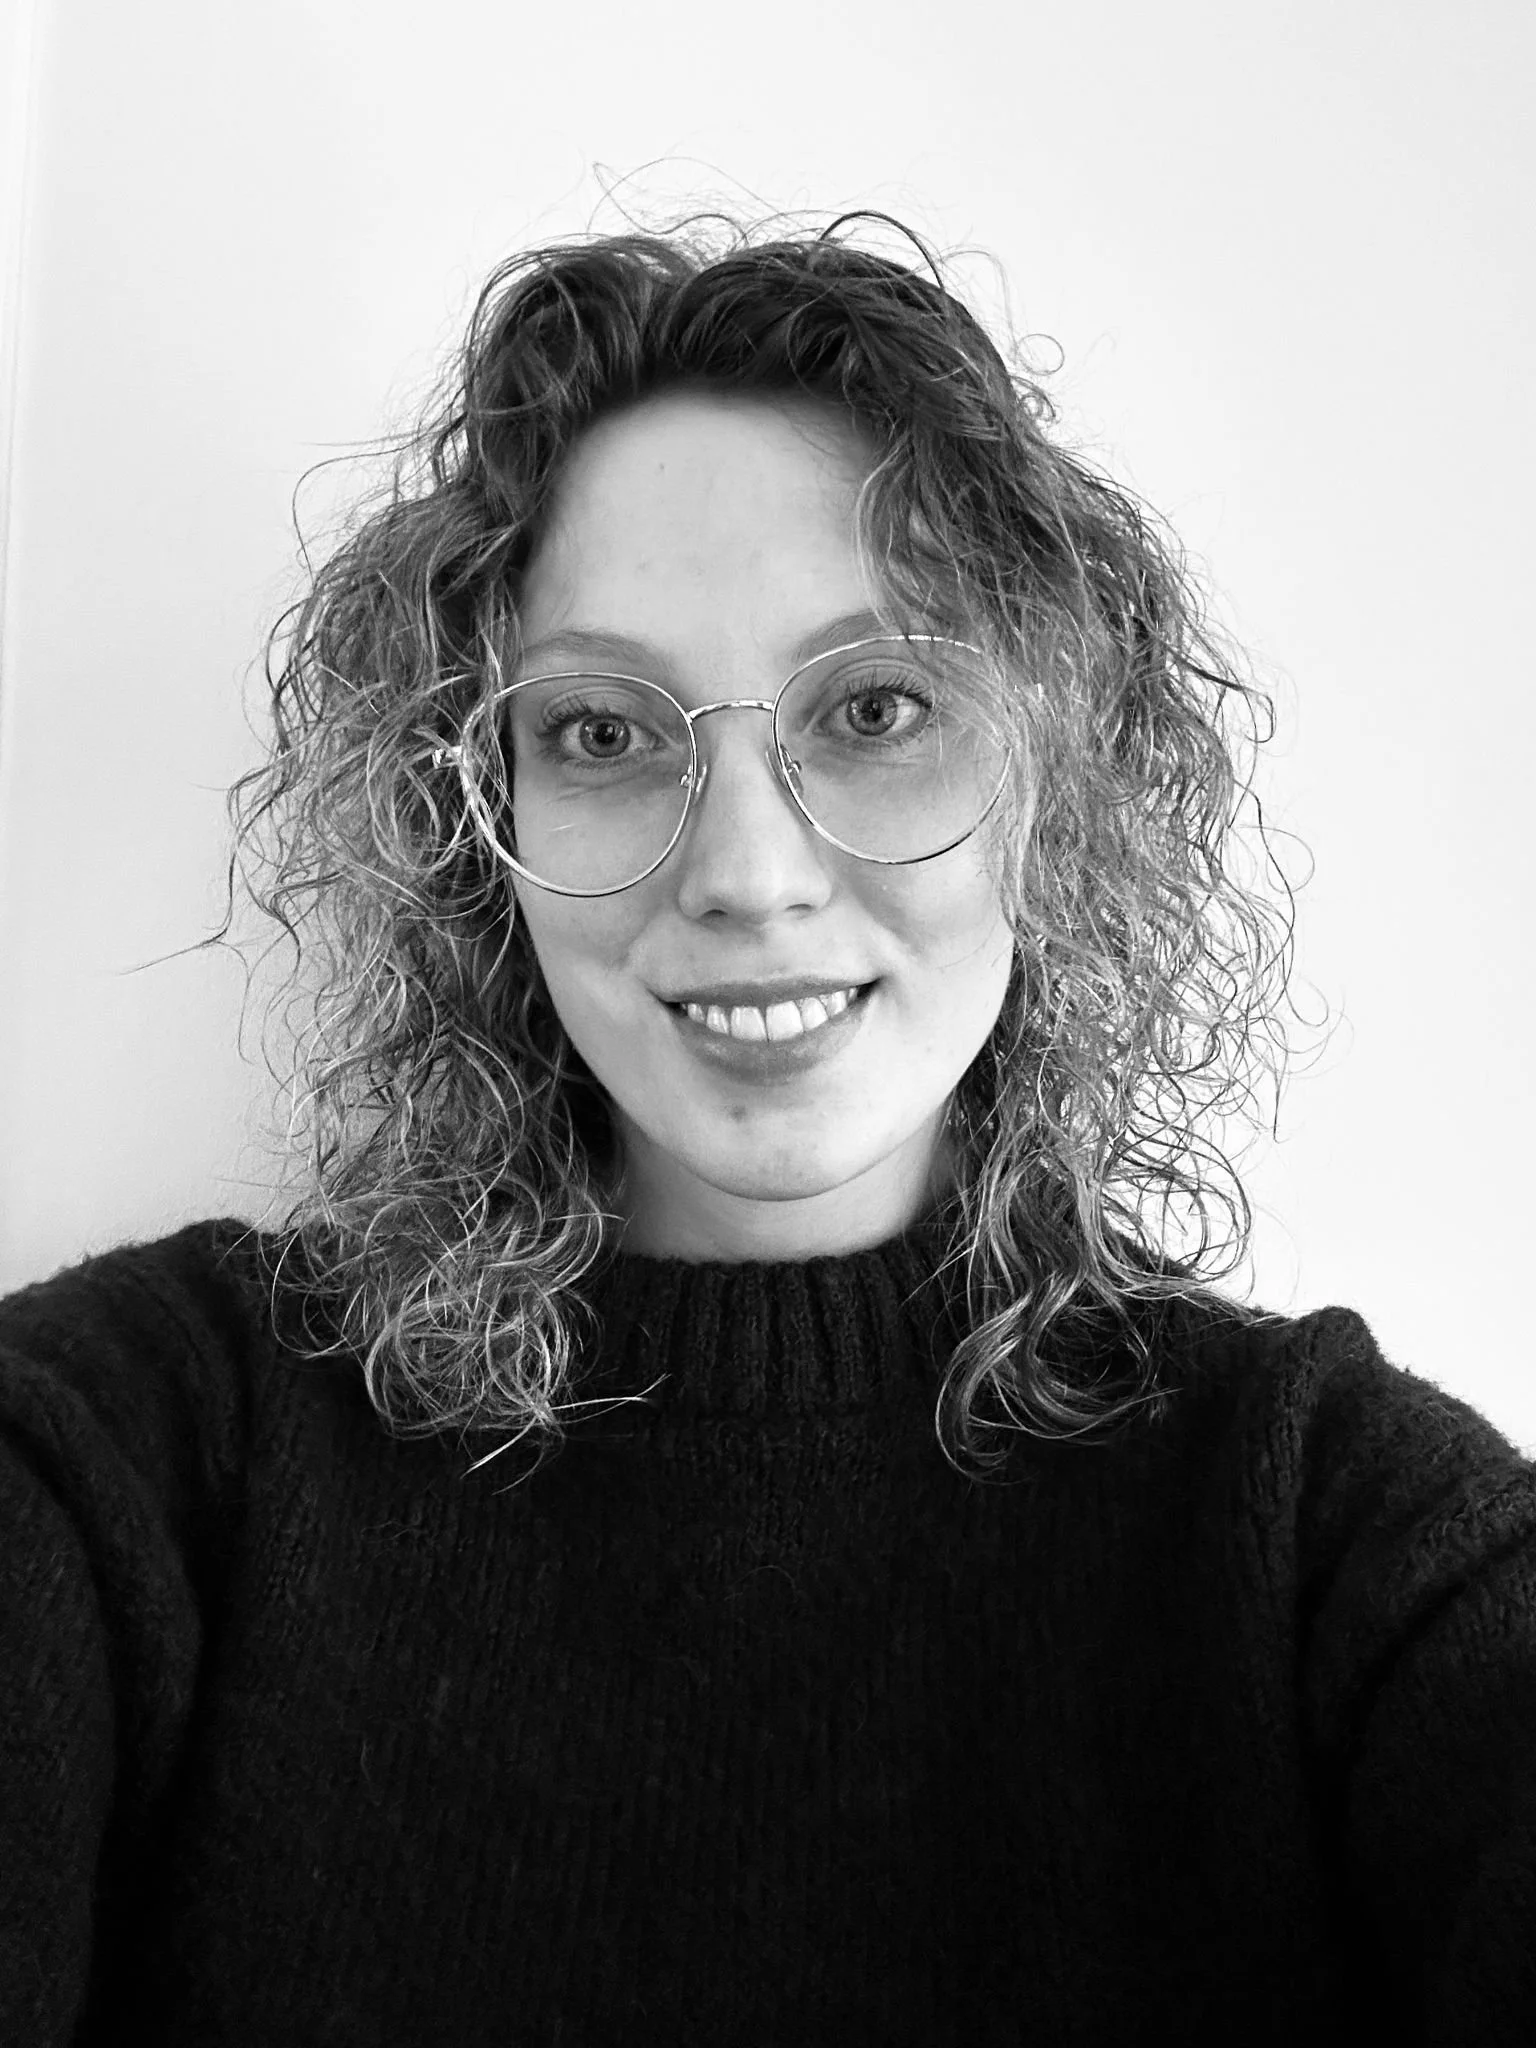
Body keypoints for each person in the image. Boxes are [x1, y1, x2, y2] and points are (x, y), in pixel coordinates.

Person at [2, 207, 1532, 2047]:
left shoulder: (1327, 1538)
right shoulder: (148, 1460)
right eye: (597, 733)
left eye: (877, 708)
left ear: (1062, 777)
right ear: (467, 814)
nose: (742, 873)